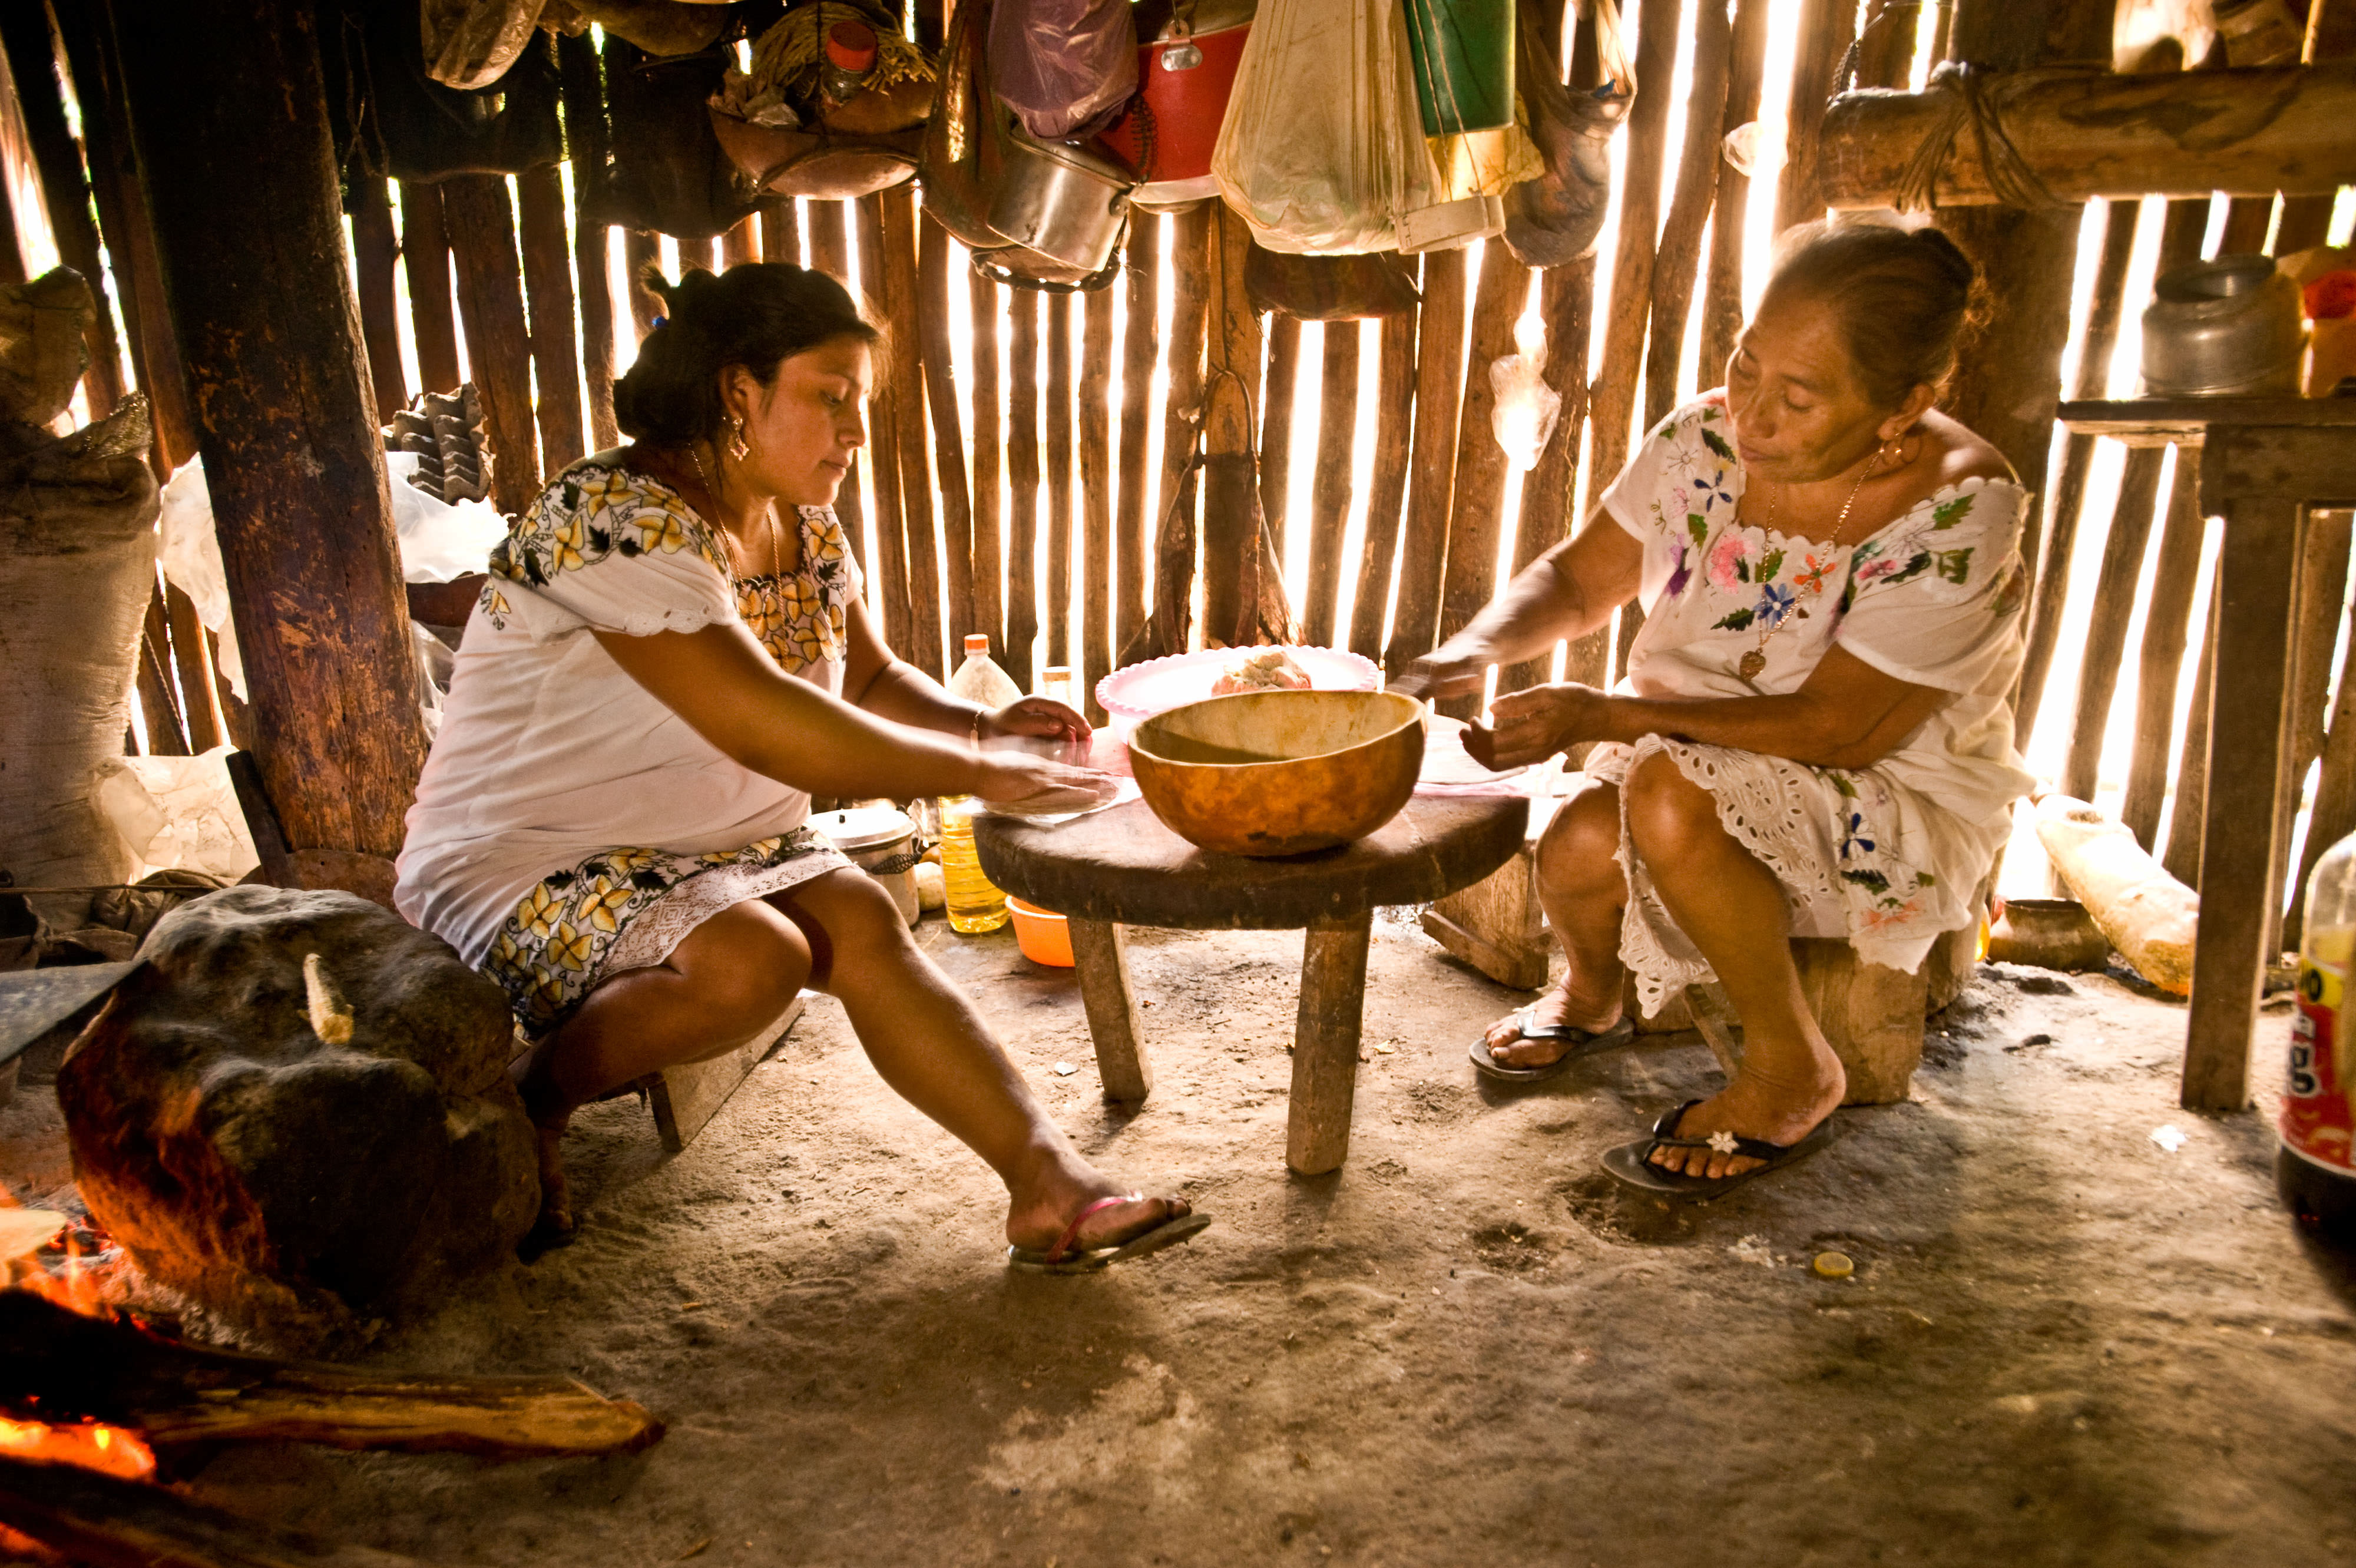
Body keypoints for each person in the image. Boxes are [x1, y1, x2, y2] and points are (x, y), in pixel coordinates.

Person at [395, 264, 1206, 1269]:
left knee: (868, 917)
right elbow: (769, 730)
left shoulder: (801, 522)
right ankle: (537, 1097)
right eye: (832, 399)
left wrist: (986, 728)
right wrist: (971, 768)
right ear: (740, 393)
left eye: (859, 404)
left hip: (706, 844)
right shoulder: (612, 515)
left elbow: (864, 678)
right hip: (524, 859)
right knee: (756, 960)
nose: (855, 432)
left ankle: (1050, 1187)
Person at [1393, 219, 2033, 1198]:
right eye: (1746, 362)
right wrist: (1473, 646)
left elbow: (1836, 727)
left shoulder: (1957, 508)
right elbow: (1579, 579)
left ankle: (1792, 1068)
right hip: (1679, 755)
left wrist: (1602, 716)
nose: (1752, 412)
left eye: (1799, 396)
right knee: (1573, 854)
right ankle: (1592, 994)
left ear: (1906, 404)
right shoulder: (1704, 440)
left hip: (1874, 784)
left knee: (1663, 797)